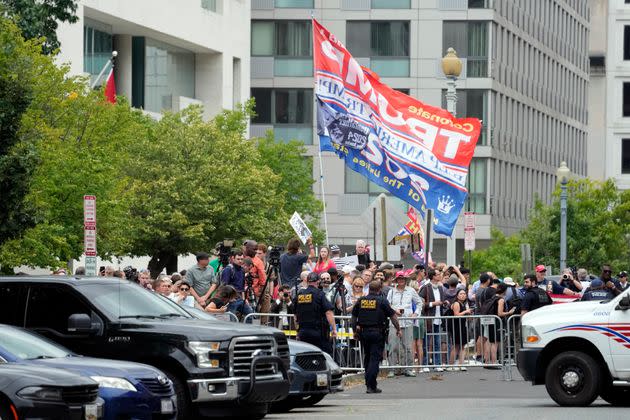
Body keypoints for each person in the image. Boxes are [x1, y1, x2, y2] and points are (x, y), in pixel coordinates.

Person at [352, 280, 401, 394]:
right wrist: (398, 329)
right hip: (377, 333)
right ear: (379, 290)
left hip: (364, 333)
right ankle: (371, 385)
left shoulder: (361, 300)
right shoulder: (382, 301)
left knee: (368, 357)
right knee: (374, 359)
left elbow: (354, 317)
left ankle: (369, 383)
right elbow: (393, 316)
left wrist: (355, 331)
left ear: (369, 289)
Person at [386, 271, 421, 377]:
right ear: (396, 280)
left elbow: (419, 302)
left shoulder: (411, 291)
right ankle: (392, 369)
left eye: (403, 279)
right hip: (394, 322)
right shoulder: (391, 292)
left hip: (407, 322)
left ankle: (408, 368)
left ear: (406, 280)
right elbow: (387, 305)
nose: (401, 281)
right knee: (393, 346)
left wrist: (416, 314)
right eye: (399, 279)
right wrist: (394, 310)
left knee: (408, 347)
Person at [294, 272, 337, 354]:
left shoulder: (300, 295)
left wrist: (298, 331)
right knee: (325, 356)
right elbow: (329, 312)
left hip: (303, 332)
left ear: (307, 281)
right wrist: (334, 329)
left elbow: (295, 315)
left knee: (306, 356)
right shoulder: (319, 294)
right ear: (318, 282)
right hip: (318, 332)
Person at [421, 269, 448, 371]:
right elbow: (420, 302)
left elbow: (441, 301)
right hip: (429, 318)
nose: (440, 275)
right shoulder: (426, 288)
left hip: (438, 317)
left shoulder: (441, 288)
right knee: (427, 342)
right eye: (438, 274)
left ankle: (437, 364)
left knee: (437, 342)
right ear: (433, 276)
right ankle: (425, 364)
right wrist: (432, 303)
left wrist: (444, 302)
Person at [221, 250, 253, 318]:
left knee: (250, 315)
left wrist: (244, 299)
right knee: (231, 319)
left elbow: (242, 287)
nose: (240, 261)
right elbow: (224, 287)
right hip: (231, 299)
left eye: (241, 259)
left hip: (240, 298)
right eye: (238, 259)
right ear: (233, 258)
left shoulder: (242, 270)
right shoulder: (228, 269)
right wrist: (229, 299)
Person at [243, 240, 270, 314]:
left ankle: (263, 323)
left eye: (256, 249)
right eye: (254, 249)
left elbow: (263, 280)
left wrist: (260, 292)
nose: (256, 251)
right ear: (247, 248)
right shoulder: (241, 259)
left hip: (253, 292)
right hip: (243, 291)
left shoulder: (258, 261)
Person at [449, 288, 472, 370]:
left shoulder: (465, 304)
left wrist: (469, 314)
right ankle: (451, 365)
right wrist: (466, 312)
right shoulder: (456, 303)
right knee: (456, 346)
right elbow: (456, 315)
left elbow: (467, 318)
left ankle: (461, 364)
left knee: (463, 346)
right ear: (457, 296)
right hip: (456, 326)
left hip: (463, 326)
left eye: (464, 294)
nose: (463, 295)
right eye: (461, 294)